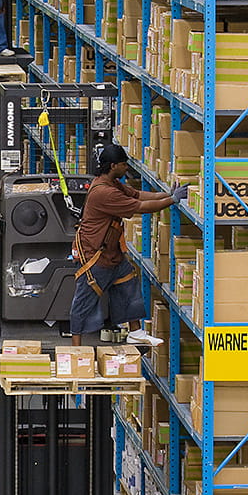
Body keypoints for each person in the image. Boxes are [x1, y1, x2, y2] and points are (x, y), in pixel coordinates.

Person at [64, 144, 188, 346]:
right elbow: (141, 207)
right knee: (84, 302)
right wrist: (173, 200)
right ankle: (76, 350)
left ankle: (136, 333)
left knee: (128, 284)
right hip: (94, 256)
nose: (126, 167)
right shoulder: (105, 192)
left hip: (111, 252)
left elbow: (137, 195)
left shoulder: (111, 183)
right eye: (123, 164)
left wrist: (167, 194)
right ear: (113, 165)